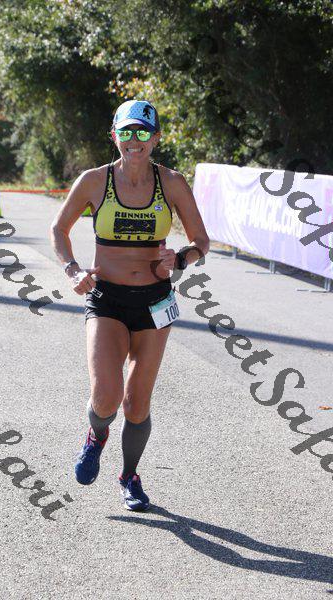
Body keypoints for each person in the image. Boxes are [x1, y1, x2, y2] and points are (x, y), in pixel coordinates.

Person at [50, 99, 210, 511]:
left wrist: (180, 258)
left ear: (155, 138)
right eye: (126, 132)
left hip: (155, 303)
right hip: (107, 299)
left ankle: (129, 477)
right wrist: (72, 270)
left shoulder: (171, 182)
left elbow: (201, 242)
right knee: (106, 396)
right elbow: (59, 229)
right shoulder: (93, 181)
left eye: (142, 132)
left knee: (137, 404)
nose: (134, 140)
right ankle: (96, 435)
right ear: (114, 136)